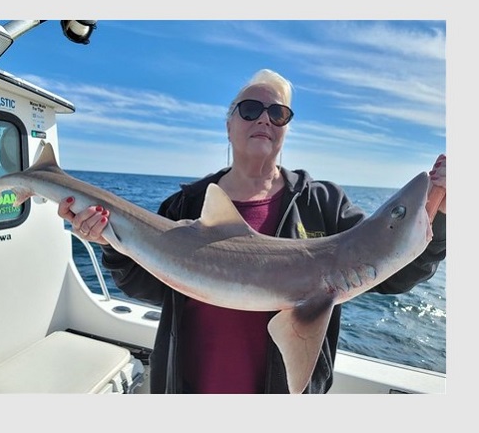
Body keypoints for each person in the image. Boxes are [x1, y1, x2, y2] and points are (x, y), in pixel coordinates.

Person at [57, 69, 447, 394]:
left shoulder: (322, 203)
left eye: (278, 113)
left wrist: (439, 214)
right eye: (250, 109)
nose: (264, 119)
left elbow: (392, 272)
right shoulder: (186, 205)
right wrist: (108, 242)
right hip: (188, 388)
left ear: (286, 130)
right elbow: (150, 287)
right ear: (228, 126)